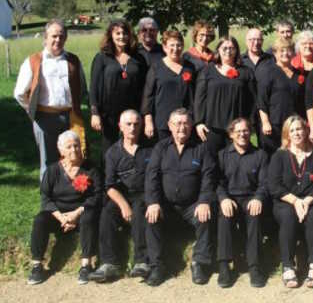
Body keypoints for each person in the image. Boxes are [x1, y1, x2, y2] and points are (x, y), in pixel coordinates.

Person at [144, 108, 216, 287]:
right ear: (169, 126)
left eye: (185, 123)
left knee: (206, 216)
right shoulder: (160, 148)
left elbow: (209, 177)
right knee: (151, 218)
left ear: (191, 126)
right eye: (177, 123)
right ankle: (157, 266)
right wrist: (153, 203)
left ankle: (199, 263)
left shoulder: (201, 148)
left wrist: (204, 201)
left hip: (192, 205)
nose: (181, 127)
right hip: (167, 206)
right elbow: (151, 177)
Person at [14, 19, 88, 179]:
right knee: (48, 161)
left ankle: (70, 195)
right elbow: (19, 92)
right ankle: (48, 201)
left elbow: (82, 88)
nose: (58, 40)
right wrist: (31, 109)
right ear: (45, 38)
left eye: (61, 36)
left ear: (66, 38)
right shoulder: (33, 61)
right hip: (44, 118)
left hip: (71, 117)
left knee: (73, 158)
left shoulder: (73, 60)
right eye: (54, 36)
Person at [27, 131, 101, 285]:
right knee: (40, 220)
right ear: (60, 150)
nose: (74, 150)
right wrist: (62, 218)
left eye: (76, 145)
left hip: (81, 212)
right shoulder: (53, 171)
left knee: (88, 216)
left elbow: (97, 195)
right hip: (58, 214)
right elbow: (46, 198)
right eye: (69, 147)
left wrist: (76, 214)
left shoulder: (91, 168)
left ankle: (86, 266)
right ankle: (37, 266)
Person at [88, 110, 152, 283]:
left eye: (136, 124)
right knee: (107, 213)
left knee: (140, 209)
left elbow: (154, 180)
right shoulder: (112, 153)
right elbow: (109, 186)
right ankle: (110, 264)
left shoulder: (150, 149)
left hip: (144, 195)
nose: (133, 128)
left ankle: (142, 261)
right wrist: (123, 205)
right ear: (120, 126)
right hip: (120, 195)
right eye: (128, 124)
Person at [268, 115, 313, 288]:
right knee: (288, 216)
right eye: (292, 130)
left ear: (306, 130)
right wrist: (295, 201)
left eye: (299, 129)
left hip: (312, 201)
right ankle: (287, 266)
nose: (296, 133)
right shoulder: (279, 156)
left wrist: (307, 202)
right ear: (287, 134)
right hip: (285, 201)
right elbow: (274, 186)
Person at [216, 118, 269, 288]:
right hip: (229, 198)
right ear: (231, 134)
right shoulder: (222, 155)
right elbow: (216, 182)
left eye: (245, 131)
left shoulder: (260, 155)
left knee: (254, 218)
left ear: (251, 133)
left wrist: (258, 198)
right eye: (238, 131)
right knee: (224, 218)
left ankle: (254, 266)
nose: (242, 134)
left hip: (250, 198)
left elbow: (265, 183)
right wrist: (223, 198)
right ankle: (224, 266)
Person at [90, 20, 147, 154]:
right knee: (109, 149)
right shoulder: (102, 58)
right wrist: (94, 113)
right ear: (111, 35)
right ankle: (108, 174)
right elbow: (94, 88)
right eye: (118, 33)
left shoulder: (138, 58)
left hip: (132, 111)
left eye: (125, 33)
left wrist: (144, 112)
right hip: (108, 113)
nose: (122, 36)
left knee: (133, 146)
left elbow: (144, 87)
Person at [194, 36, 256, 155]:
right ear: (218, 50)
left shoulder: (246, 72)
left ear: (237, 51)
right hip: (211, 127)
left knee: (234, 161)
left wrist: (250, 123)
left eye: (232, 48)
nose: (228, 51)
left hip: (237, 129)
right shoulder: (207, 71)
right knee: (211, 162)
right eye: (224, 48)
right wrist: (199, 122)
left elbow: (252, 100)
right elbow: (199, 99)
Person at [141, 30, 196, 140]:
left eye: (179, 45)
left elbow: (194, 94)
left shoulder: (190, 67)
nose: (175, 49)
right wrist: (148, 120)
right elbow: (148, 95)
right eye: (172, 45)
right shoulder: (156, 67)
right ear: (165, 47)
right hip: (162, 122)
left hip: (184, 122)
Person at [257, 37, 306, 154]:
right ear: (275, 53)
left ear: (293, 53)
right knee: (273, 157)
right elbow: (261, 99)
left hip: (293, 125)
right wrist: (265, 122)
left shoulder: (298, 74)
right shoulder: (268, 72)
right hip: (274, 125)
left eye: (289, 50)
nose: (286, 53)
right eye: (281, 51)